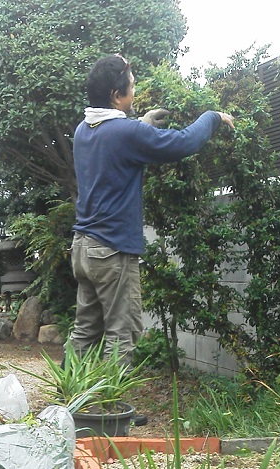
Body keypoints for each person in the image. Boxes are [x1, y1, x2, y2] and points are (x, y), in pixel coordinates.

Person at [69, 53, 235, 380]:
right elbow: (184, 142)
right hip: (112, 252)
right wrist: (212, 117)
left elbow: (112, 146)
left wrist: (140, 124)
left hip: (83, 249)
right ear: (117, 96)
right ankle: (109, 413)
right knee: (122, 333)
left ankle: (71, 407)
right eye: (131, 87)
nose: (134, 92)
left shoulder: (83, 130)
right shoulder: (126, 134)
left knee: (85, 333)